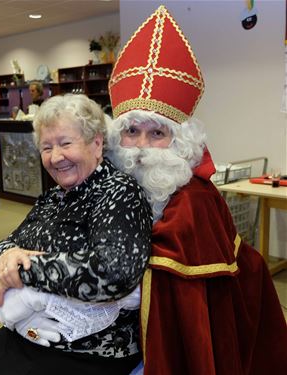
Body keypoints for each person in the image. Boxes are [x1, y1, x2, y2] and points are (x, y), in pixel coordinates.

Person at [105, 5, 287, 375]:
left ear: (180, 142)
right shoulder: (112, 183)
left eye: (157, 133)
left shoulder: (194, 201)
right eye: (131, 131)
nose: (140, 146)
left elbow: (175, 300)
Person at [0, 93, 152, 375]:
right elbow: (6, 244)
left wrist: (23, 271)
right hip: (31, 334)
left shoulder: (119, 191)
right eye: (46, 147)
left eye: (65, 143)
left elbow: (113, 273)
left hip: (89, 351)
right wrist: (9, 256)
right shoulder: (53, 197)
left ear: (96, 144)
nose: (56, 157)